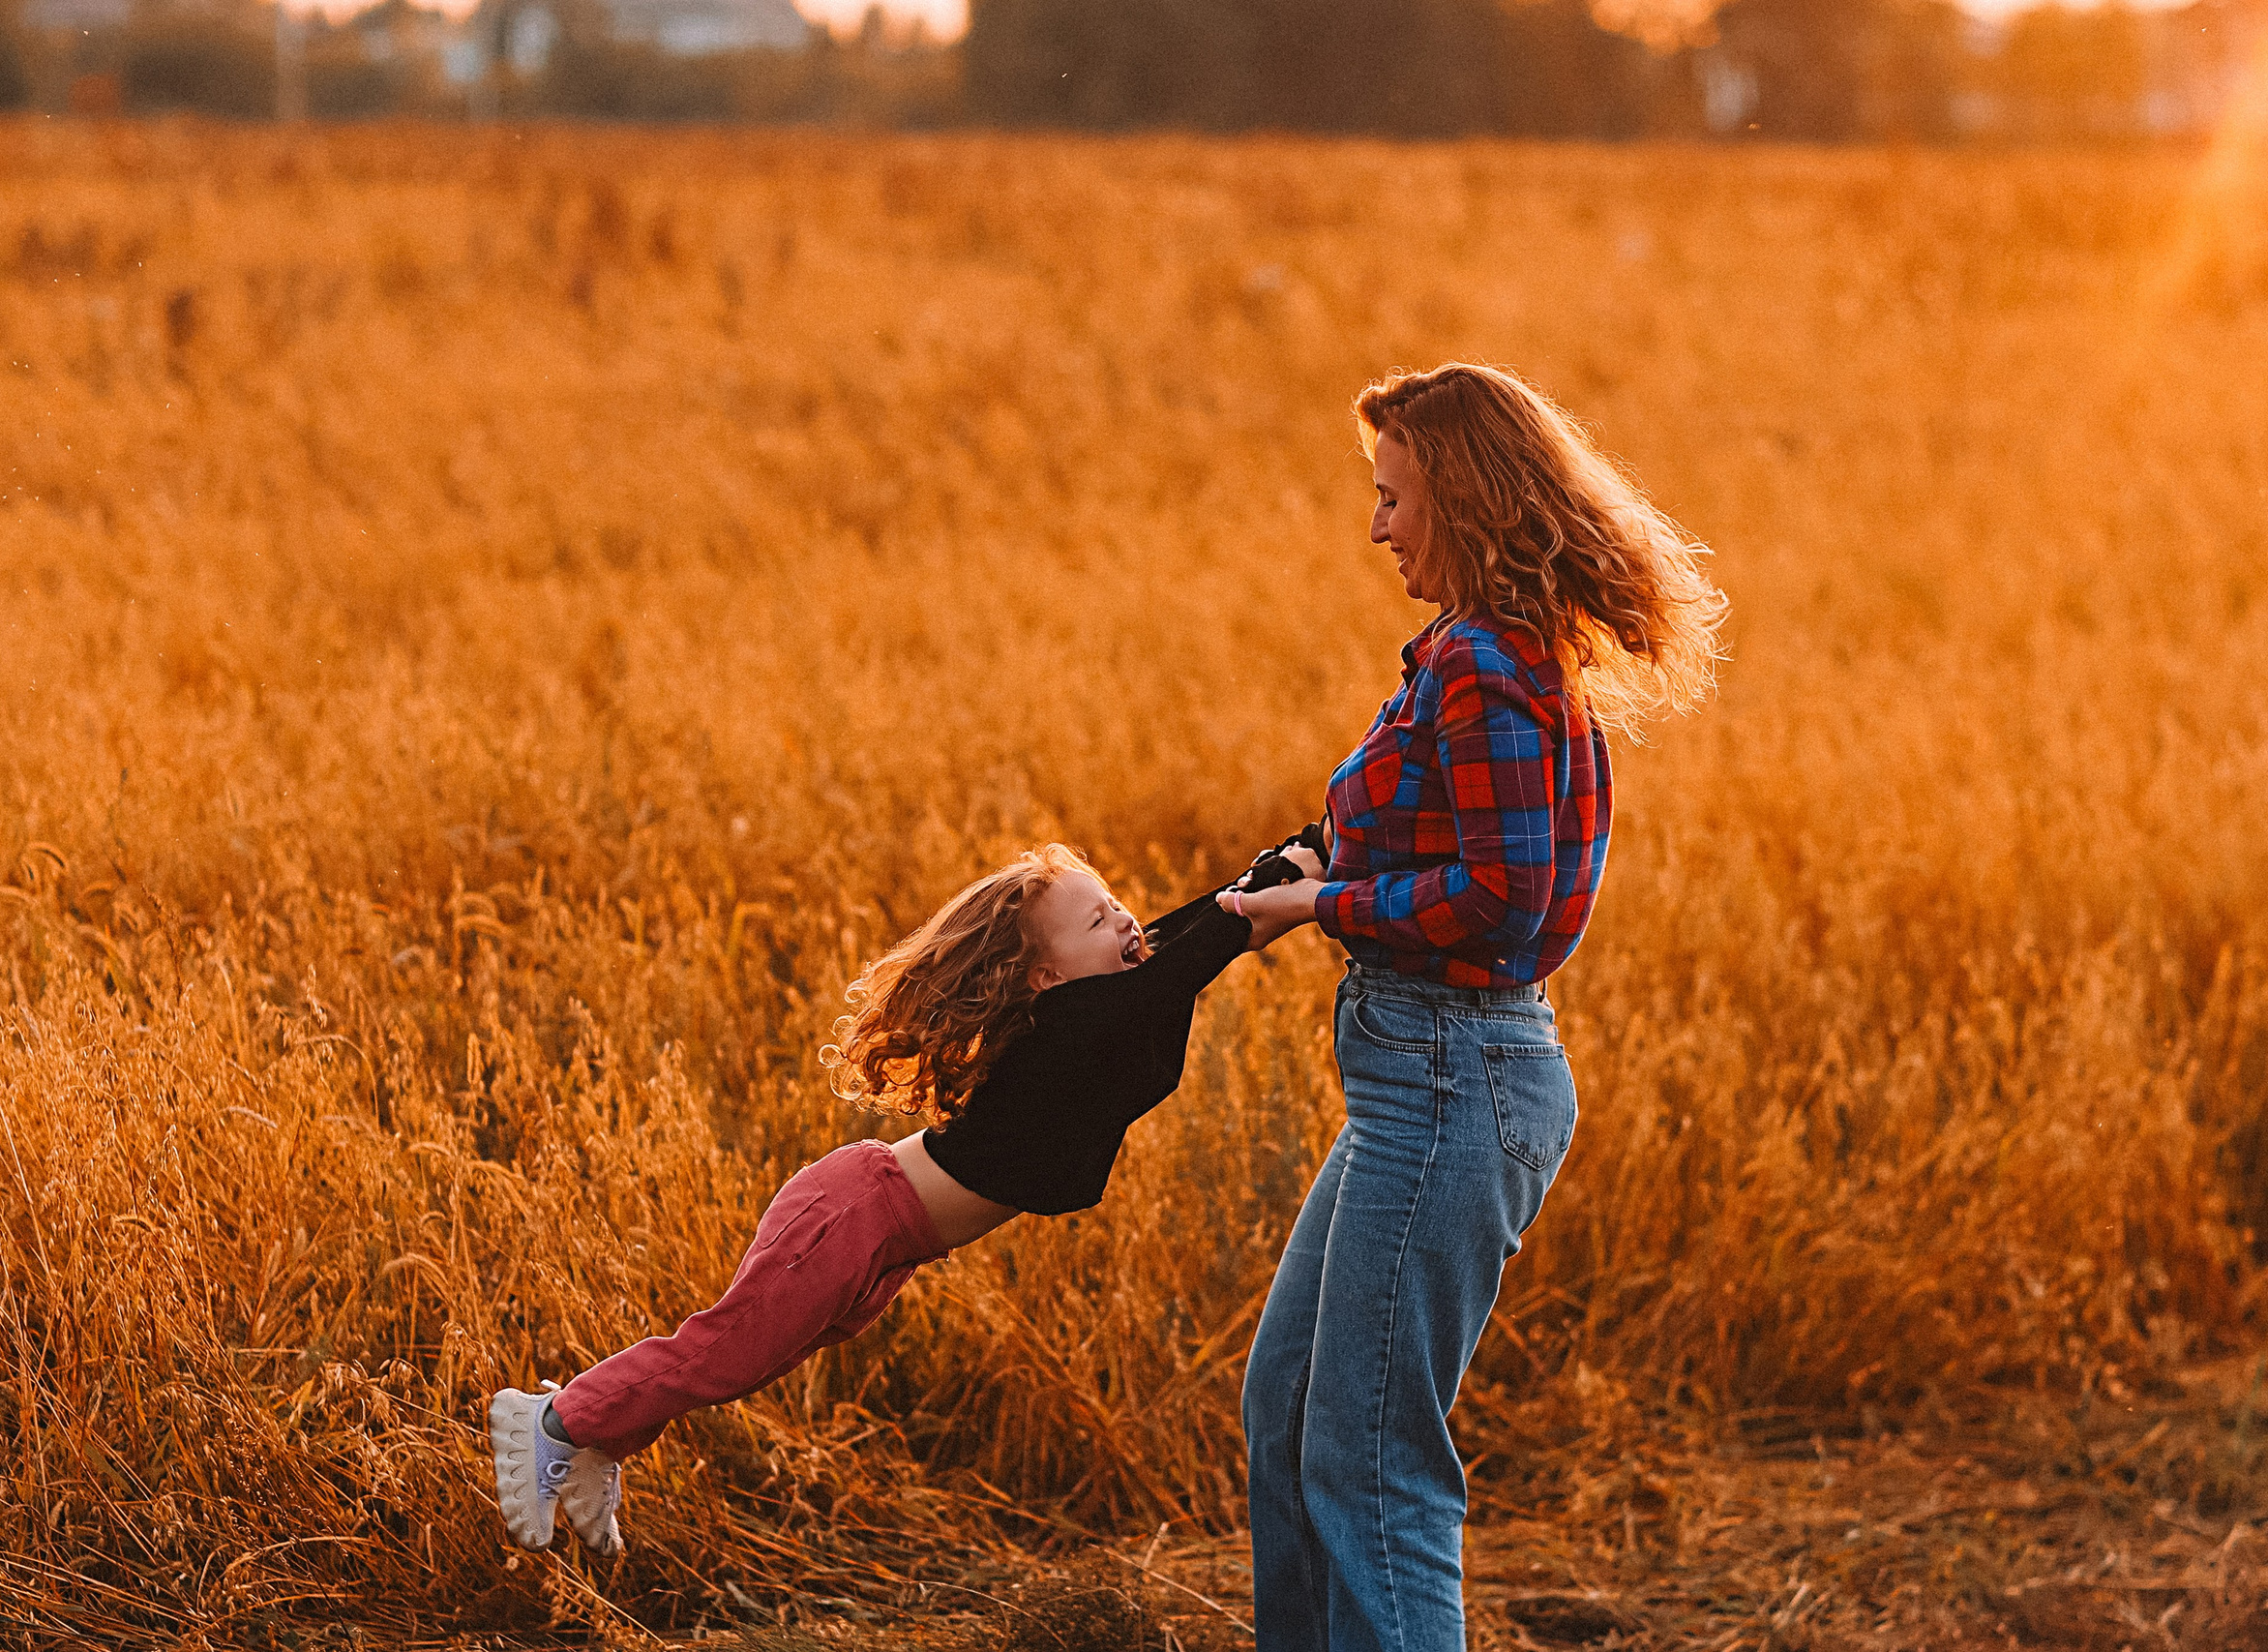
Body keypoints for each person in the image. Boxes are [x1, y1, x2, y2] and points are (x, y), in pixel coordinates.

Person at [1222, 364, 1727, 1652]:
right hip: (1419, 1077)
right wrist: (1326, 866)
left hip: (1452, 1077)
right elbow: (1483, 863)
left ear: (1464, 497)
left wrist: (1322, 908)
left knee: (1371, 1452)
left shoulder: (1484, 664)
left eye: (1394, 497)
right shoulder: (1490, 655)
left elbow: (1507, 904)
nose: (1378, 525)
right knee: (1288, 1406)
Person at [489, 834, 1324, 1556]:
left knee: (747, 1361)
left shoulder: (1106, 1004)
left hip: (884, 1235)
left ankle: (598, 1439)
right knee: (723, 1351)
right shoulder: (1069, 1029)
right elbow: (1191, 953)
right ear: (1043, 977)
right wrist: (1268, 907)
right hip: (855, 1214)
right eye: (1099, 920)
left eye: (1115, 903)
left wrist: (1290, 870)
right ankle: (552, 1424)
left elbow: (1187, 939)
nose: (1125, 921)